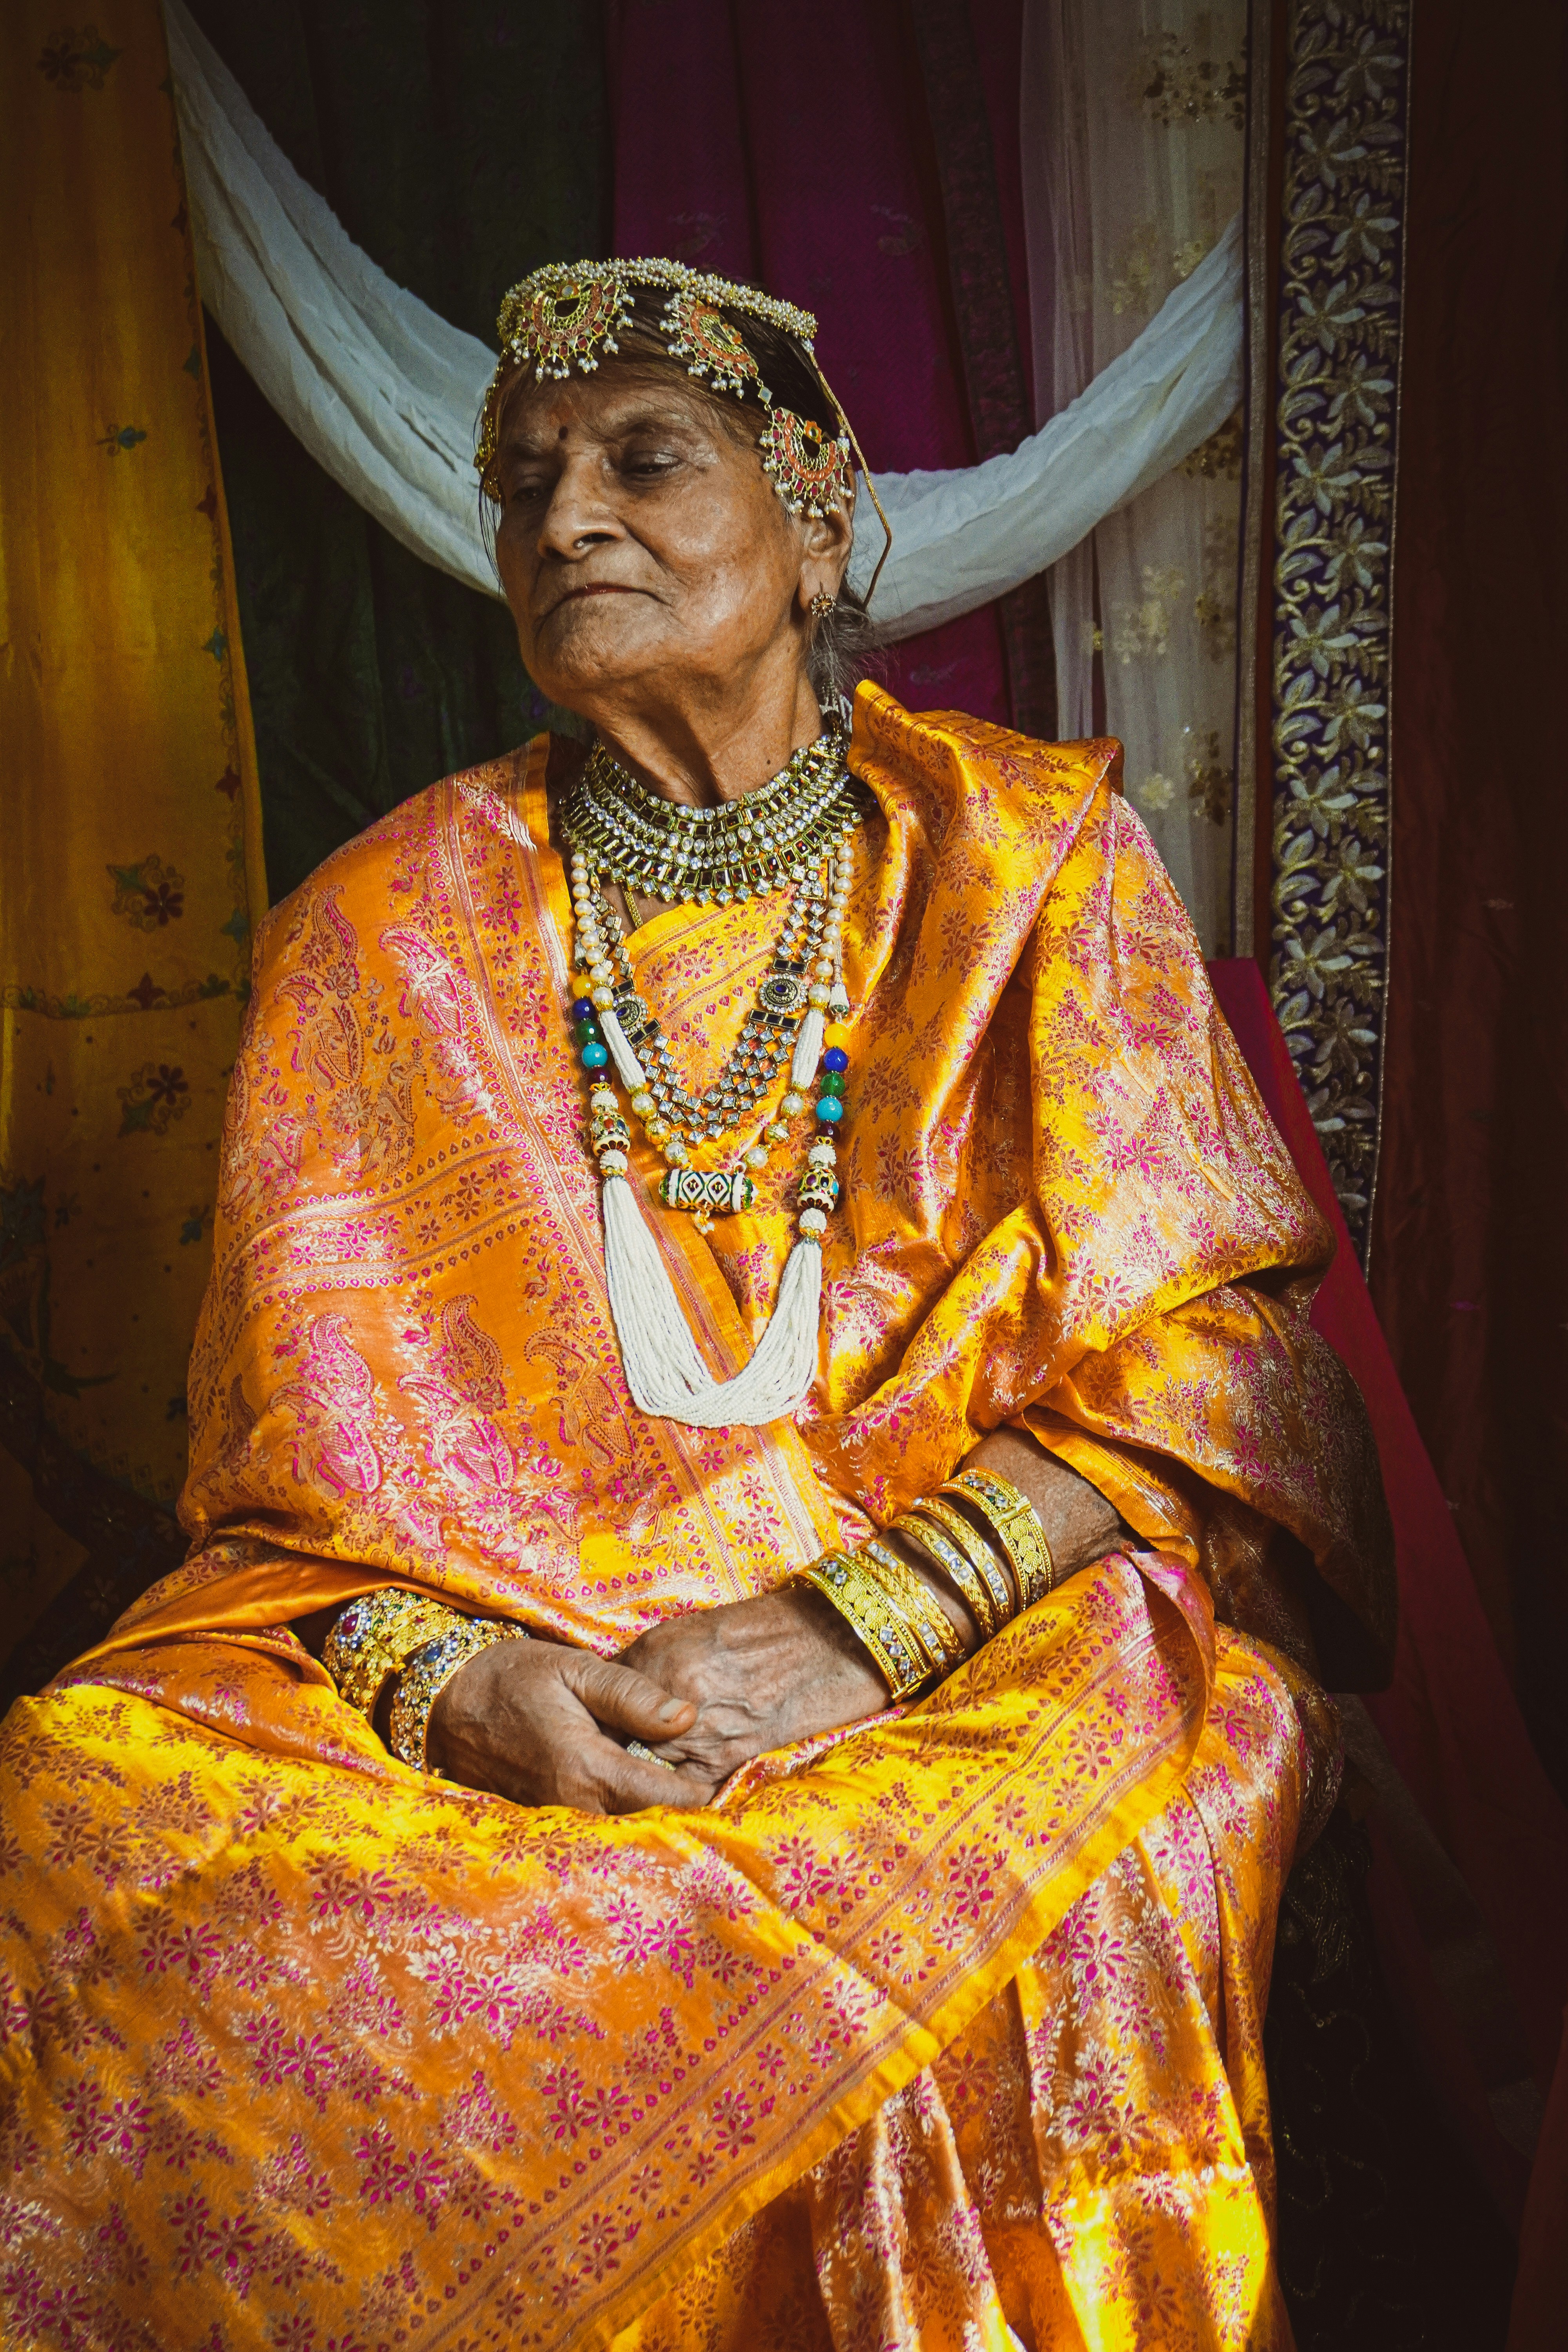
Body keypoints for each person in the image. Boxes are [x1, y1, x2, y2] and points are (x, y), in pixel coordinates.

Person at [0, 257, 1392, 2351]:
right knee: (80, 1800)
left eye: (645, 460)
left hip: (962, 1654)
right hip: (514, 1660)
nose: (566, 521)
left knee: (1088, 1862)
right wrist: (459, 1689)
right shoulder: (375, 936)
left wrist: (869, 1623)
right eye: (528, 483)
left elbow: (1235, 1361)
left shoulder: (1029, 867)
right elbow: (283, 1524)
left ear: (819, 517)